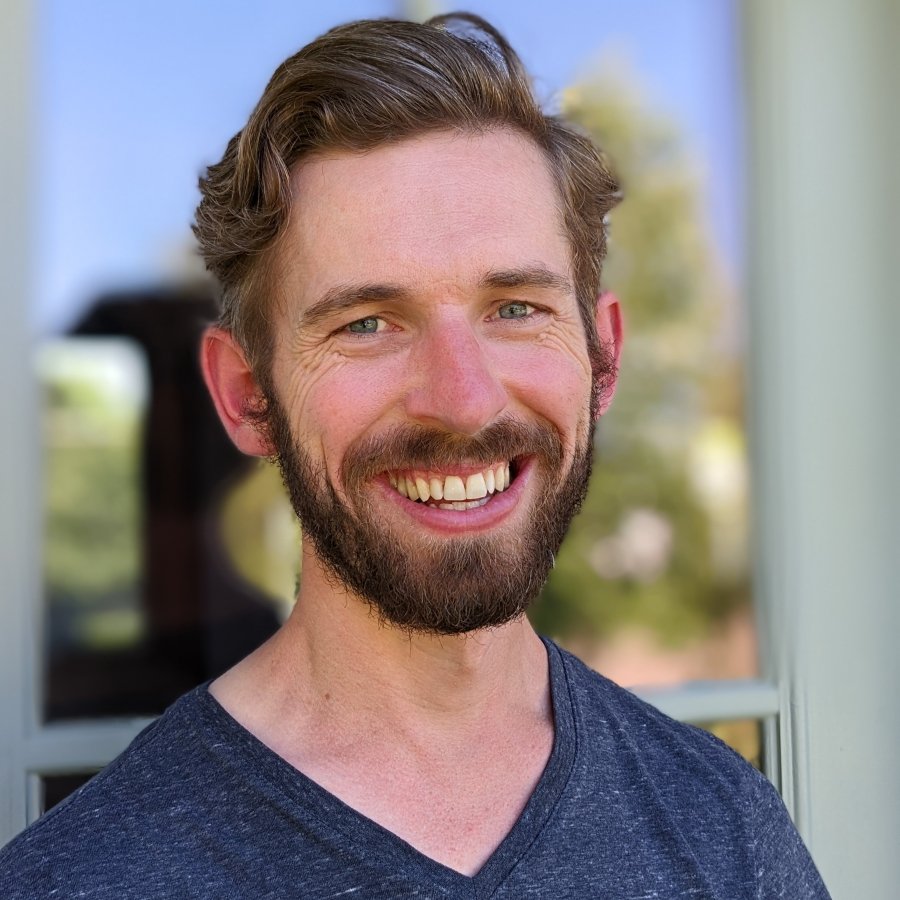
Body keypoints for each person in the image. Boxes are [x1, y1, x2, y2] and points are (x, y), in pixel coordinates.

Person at [1, 12, 830, 898]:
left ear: (603, 355)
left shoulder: (721, 830)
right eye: (367, 323)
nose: (464, 399)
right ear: (247, 395)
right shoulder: (82, 881)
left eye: (516, 307)